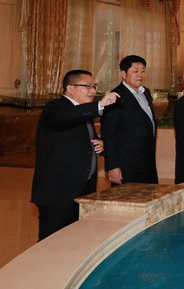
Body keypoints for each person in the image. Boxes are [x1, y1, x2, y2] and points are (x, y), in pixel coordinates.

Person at [31, 70, 120, 240]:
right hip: (58, 191)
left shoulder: (83, 112)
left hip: (83, 188)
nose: (93, 91)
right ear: (70, 88)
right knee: (52, 242)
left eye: (94, 87)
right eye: (87, 86)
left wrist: (100, 144)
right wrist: (99, 105)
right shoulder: (55, 108)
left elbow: (81, 139)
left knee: (76, 241)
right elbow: (66, 118)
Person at [101, 55, 158, 185]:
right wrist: (112, 166)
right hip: (126, 164)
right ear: (124, 74)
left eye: (143, 71)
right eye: (135, 71)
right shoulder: (115, 96)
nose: (140, 75)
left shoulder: (145, 92)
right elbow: (109, 133)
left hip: (147, 162)